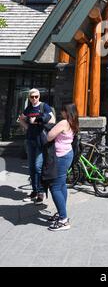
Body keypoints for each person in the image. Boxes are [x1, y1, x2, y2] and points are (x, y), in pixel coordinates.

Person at [46, 103, 79, 231]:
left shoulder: (64, 122)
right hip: (68, 154)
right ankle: (61, 213)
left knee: (55, 187)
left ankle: (63, 220)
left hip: (60, 156)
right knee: (62, 185)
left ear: (67, 112)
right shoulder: (73, 122)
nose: (61, 113)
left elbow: (49, 137)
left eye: (63, 110)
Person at [19, 89, 55, 204]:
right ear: (29, 98)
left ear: (39, 97)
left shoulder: (44, 106)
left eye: (36, 96)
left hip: (41, 140)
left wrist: (39, 121)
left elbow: (52, 119)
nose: (34, 99)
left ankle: (40, 192)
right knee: (31, 167)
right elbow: (21, 118)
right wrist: (27, 127)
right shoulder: (29, 108)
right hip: (30, 140)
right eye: (32, 97)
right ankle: (34, 191)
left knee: (38, 166)